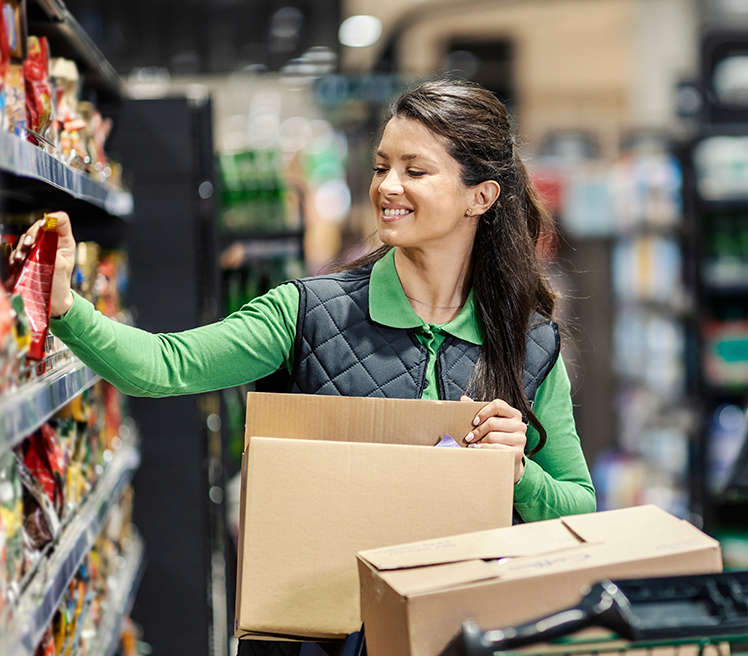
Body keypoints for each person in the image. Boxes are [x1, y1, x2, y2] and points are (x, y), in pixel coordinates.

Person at [40, 78, 596, 655]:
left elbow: (580, 505)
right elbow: (163, 366)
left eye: (416, 170)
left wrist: (517, 472)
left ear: (480, 197)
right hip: (307, 641)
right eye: (383, 167)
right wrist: (66, 308)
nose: (389, 186)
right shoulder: (307, 312)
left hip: (453, 636)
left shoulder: (527, 346)